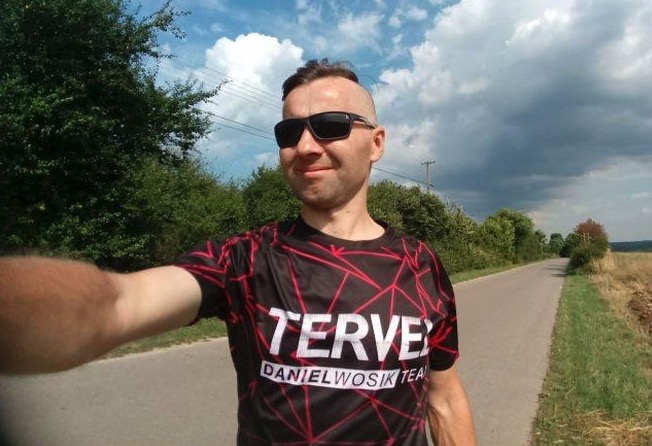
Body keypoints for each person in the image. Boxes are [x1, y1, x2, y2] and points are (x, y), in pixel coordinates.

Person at [0, 59, 476, 445]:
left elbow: (443, 398)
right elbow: (117, 302)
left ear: (376, 143)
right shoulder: (243, 259)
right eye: (289, 132)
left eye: (330, 126)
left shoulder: (422, 265)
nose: (305, 146)